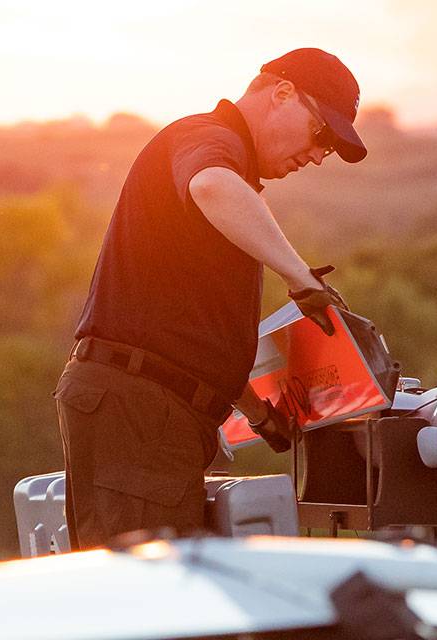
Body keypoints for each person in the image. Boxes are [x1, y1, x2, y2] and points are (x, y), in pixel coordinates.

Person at [56, 48, 367, 548]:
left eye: (327, 148)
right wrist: (302, 279)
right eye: (319, 134)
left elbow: (192, 335)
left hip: (149, 407)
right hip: (142, 410)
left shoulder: (234, 174)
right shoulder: (207, 138)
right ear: (282, 94)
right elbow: (211, 184)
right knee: (149, 603)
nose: (315, 156)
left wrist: (259, 412)